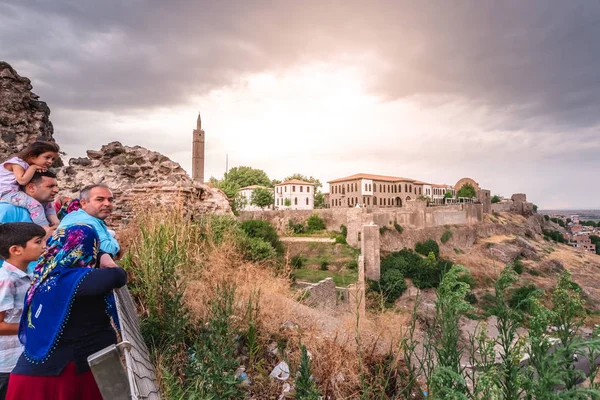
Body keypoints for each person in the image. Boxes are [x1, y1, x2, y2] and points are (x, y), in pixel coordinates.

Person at [6, 224, 127, 400]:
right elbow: (118, 276)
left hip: (39, 373)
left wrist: (99, 254)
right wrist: (105, 258)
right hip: (55, 379)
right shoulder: (76, 280)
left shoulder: (48, 273)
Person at [0, 223, 46, 400]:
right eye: (38, 242)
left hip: (21, 358)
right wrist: (36, 327)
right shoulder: (6, 281)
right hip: (6, 365)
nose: (44, 246)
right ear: (16, 250)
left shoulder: (28, 276)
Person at [0, 142, 60, 233]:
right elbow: (22, 181)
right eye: (47, 157)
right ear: (33, 156)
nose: (50, 161)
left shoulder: (27, 166)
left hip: (15, 192)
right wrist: (33, 167)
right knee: (35, 205)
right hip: (7, 193)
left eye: (53, 159)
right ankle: (44, 228)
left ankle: (56, 223)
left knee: (47, 203)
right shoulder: (17, 163)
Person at [58, 184, 120, 259]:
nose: (107, 204)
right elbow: (109, 250)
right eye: (100, 199)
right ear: (84, 203)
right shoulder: (86, 221)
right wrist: (115, 240)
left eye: (110, 200)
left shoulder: (75, 215)